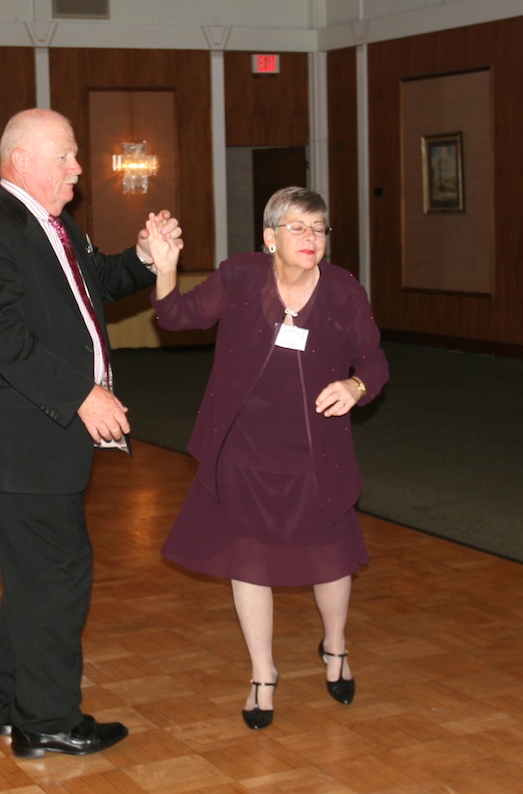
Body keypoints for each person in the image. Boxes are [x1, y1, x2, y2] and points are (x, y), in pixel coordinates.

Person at [0, 108, 182, 758]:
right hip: (23, 449)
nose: (79, 170)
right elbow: (2, 336)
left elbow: (98, 285)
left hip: (36, 449)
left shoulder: (53, 227)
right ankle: (47, 720)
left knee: (34, 579)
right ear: (22, 159)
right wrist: (80, 393)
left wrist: (145, 258)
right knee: (59, 575)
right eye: (67, 157)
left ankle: (9, 706)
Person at [143, 186, 388, 730]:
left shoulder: (344, 291)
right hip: (244, 446)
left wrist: (354, 387)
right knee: (248, 560)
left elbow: (374, 361)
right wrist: (165, 269)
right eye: (297, 228)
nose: (311, 239)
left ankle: (337, 646)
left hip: (315, 449)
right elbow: (179, 316)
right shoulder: (242, 276)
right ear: (269, 236)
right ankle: (262, 672)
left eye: (319, 229)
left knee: (331, 556)